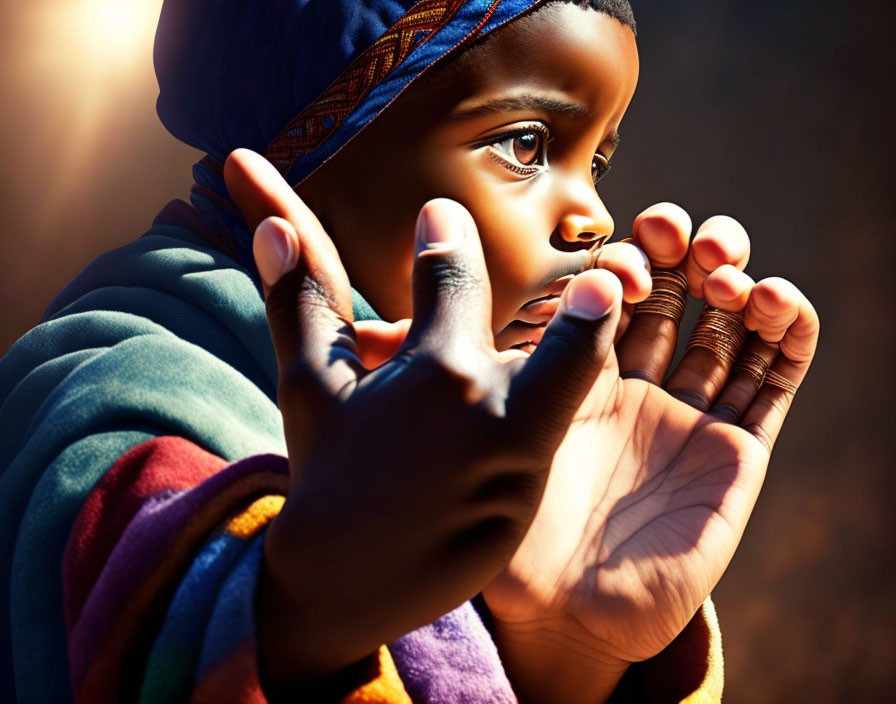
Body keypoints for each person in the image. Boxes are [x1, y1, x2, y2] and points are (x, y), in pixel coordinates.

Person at [0, 1, 819, 702]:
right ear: (306, 147)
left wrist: (570, 649)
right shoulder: (112, 397)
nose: (593, 217)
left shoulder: (465, 450)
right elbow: (144, 623)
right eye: (528, 145)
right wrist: (312, 610)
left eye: (597, 159)